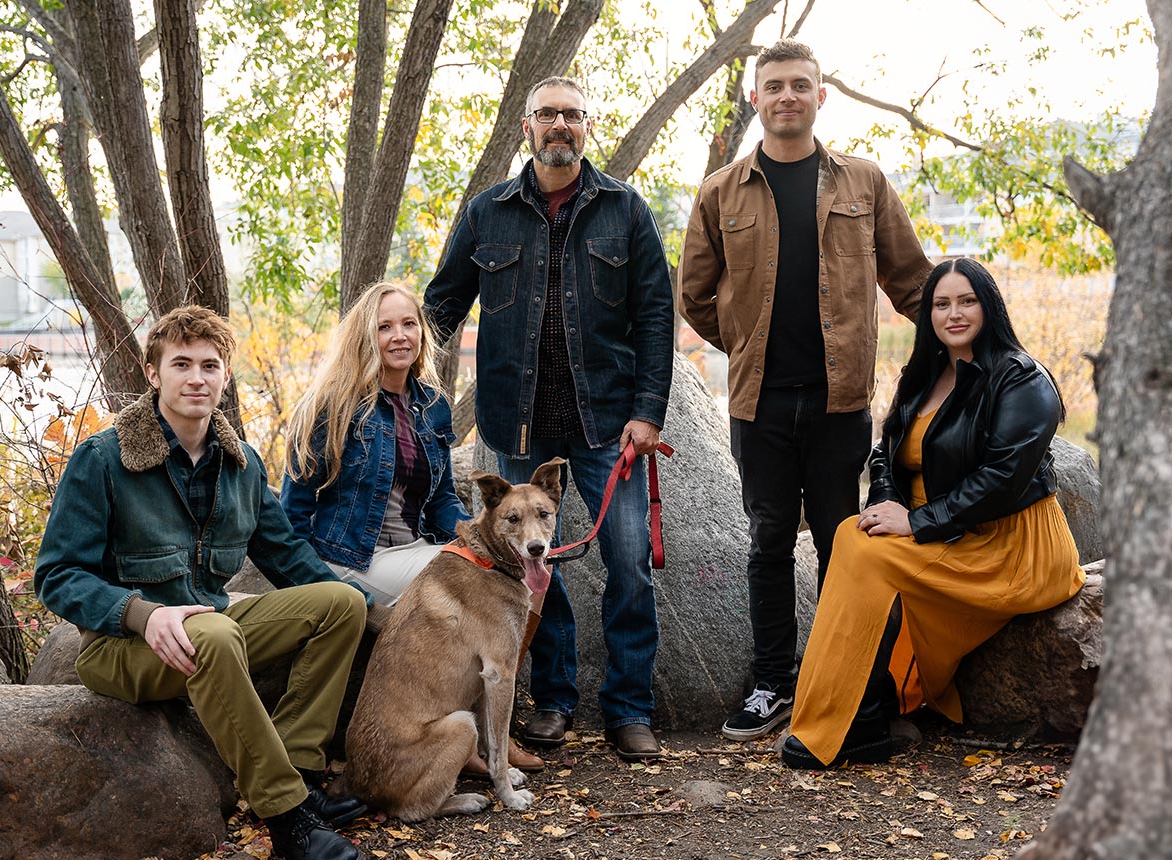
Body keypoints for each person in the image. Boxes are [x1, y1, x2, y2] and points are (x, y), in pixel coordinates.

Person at [35, 306, 366, 860]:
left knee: (341, 603)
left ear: (225, 376)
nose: (196, 378)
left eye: (209, 366)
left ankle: (298, 772)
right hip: (125, 646)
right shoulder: (104, 460)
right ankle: (288, 822)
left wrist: (384, 614)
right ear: (152, 373)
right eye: (181, 364)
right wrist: (141, 613)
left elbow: (288, 558)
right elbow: (56, 575)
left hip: (215, 627)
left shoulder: (242, 465)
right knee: (211, 634)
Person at [678, 38, 933, 742]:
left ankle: (840, 677)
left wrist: (971, 350)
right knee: (765, 542)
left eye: (800, 85)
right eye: (774, 85)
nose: (786, 96)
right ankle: (771, 683)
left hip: (838, 403)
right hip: (757, 404)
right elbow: (694, 297)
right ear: (754, 98)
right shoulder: (719, 192)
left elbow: (911, 281)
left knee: (838, 541)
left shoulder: (863, 182)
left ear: (820, 97)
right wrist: (750, 344)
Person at [424, 76, 674, 760]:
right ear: (525, 130)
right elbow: (439, 308)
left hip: (607, 430)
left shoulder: (627, 210)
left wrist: (647, 412)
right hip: (516, 429)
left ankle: (628, 710)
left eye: (570, 114)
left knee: (627, 564)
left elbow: (656, 315)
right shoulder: (487, 213)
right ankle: (555, 702)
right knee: (535, 574)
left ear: (585, 127)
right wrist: (406, 386)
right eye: (546, 115)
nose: (558, 124)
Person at [780, 258, 1087, 769]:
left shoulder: (1021, 380)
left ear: (988, 306)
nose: (954, 313)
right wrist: (889, 503)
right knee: (851, 535)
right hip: (951, 531)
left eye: (967, 301)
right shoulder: (925, 373)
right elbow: (886, 451)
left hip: (1014, 546)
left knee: (865, 553)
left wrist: (916, 523)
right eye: (942, 304)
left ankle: (855, 719)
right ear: (929, 316)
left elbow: (1001, 482)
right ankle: (858, 713)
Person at [280, 281, 545, 775]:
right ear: (366, 336)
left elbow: (443, 495)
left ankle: (489, 733)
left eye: (408, 324)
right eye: (384, 327)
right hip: (353, 559)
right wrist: (317, 584)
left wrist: (469, 536)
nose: (399, 336)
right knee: (496, 590)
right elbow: (291, 514)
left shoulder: (431, 405)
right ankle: (479, 743)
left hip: (416, 549)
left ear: (421, 332)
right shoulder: (331, 406)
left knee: (526, 576)